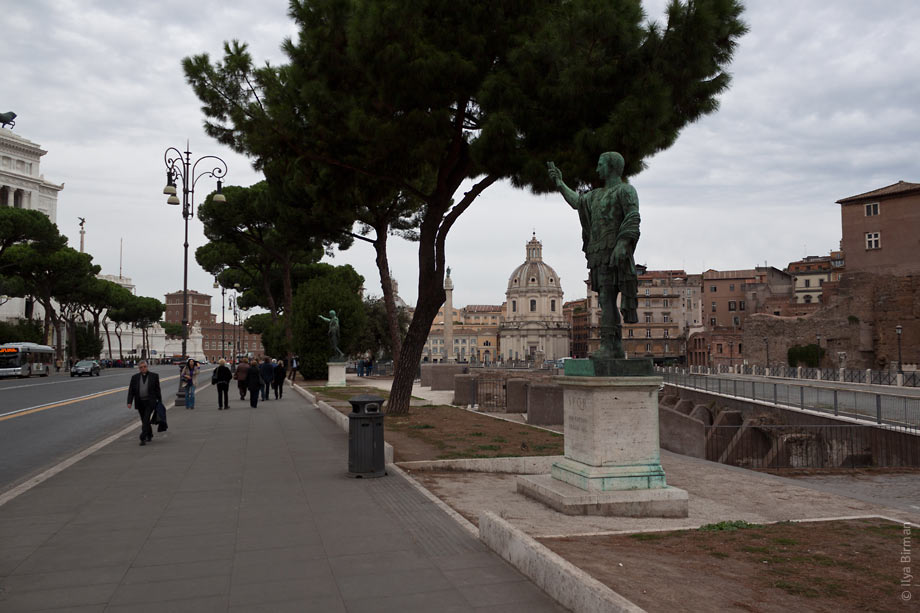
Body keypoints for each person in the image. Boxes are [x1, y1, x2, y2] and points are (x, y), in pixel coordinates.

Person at [548, 152, 640, 359]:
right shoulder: (595, 195)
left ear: (611, 167)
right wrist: (559, 183)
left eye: (600, 165)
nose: (597, 169)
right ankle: (612, 345)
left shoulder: (626, 191)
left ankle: (612, 346)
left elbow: (633, 216)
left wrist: (623, 243)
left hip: (616, 250)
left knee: (608, 298)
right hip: (599, 252)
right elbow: (577, 202)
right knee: (605, 299)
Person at [126, 360, 162, 446]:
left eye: (144, 367)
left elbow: (157, 390)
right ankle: (149, 434)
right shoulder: (135, 378)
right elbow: (131, 391)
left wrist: (160, 401)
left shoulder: (154, 376)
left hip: (150, 402)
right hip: (140, 402)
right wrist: (129, 402)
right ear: (139, 368)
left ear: (147, 367)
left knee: (146, 419)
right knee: (144, 420)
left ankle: (143, 437)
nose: (143, 369)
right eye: (141, 367)